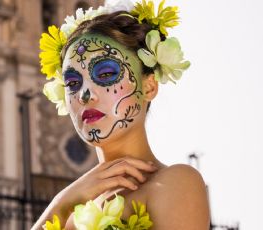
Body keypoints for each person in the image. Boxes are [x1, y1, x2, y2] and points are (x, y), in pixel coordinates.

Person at [33, 0, 210, 229]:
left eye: (106, 74)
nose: (85, 95)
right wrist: (60, 204)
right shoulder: (70, 213)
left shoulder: (176, 183)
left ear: (149, 87)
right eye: (73, 82)